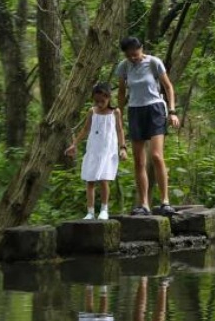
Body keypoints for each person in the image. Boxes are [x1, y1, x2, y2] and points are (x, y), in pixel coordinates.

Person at [115, 37, 181, 216]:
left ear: (141, 49)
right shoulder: (124, 67)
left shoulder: (154, 62)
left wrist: (173, 111)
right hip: (135, 111)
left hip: (155, 109)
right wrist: (119, 113)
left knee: (156, 156)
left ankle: (165, 201)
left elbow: (168, 87)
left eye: (135, 54)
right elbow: (121, 92)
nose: (133, 58)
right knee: (139, 160)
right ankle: (143, 203)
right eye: (129, 56)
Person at [66, 83, 127, 220]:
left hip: (108, 151)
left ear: (109, 98)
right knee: (90, 180)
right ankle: (90, 211)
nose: (99, 104)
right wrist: (74, 144)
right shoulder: (92, 111)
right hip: (94, 149)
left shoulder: (115, 112)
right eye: (96, 101)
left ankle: (104, 209)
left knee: (104, 180)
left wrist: (122, 148)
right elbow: (85, 129)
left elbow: (119, 130)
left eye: (102, 101)